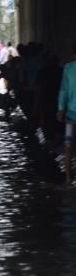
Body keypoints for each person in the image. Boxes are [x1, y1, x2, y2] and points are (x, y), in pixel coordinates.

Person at [35, 52, 63, 150]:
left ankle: (50, 144)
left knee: (47, 122)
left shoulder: (42, 72)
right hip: (59, 101)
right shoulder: (62, 71)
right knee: (58, 124)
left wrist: (36, 105)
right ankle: (55, 143)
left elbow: (39, 90)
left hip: (46, 101)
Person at [57, 43, 76, 185]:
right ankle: (68, 178)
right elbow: (63, 89)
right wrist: (61, 108)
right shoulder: (68, 69)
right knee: (68, 146)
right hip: (71, 113)